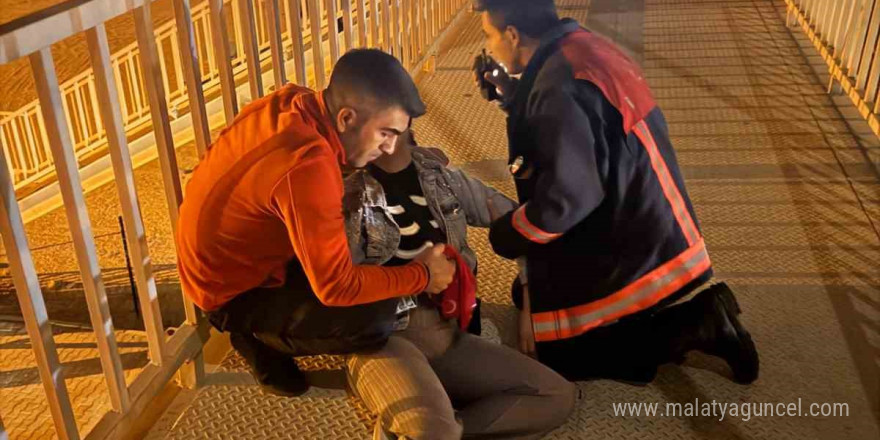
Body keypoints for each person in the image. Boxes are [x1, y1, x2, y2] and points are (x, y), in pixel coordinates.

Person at [473, 0, 760, 384]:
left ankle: (701, 321)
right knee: (527, 296)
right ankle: (641, 317)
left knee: (560, 354)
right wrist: (513, 96)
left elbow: (566, 200)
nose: (489, 47)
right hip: (650, 213)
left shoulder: (556, 88)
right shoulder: (579, 46)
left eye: (489, 36)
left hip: (633, 237)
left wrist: (506, 234)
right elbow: (571, 135)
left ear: (512, 34)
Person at [175, 49, 456, 396]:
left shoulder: (294, 102)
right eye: (385, 133)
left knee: (359, 257)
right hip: (228, 292)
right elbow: (336, 287)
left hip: (222, 258)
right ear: (346, 118)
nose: (389, 148)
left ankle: (261, 327)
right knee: (375, 318)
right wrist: (423, 275)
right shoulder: (308, 167)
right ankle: (258, 337)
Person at [344, 130, 575, 440]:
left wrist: (530, 300)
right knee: (435, 431)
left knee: (557, 395)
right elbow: (338, 285)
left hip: (446, 332)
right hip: (383, 336)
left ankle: (435, 428)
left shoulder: (442, 179)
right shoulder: (348, 198)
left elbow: (520, 224)